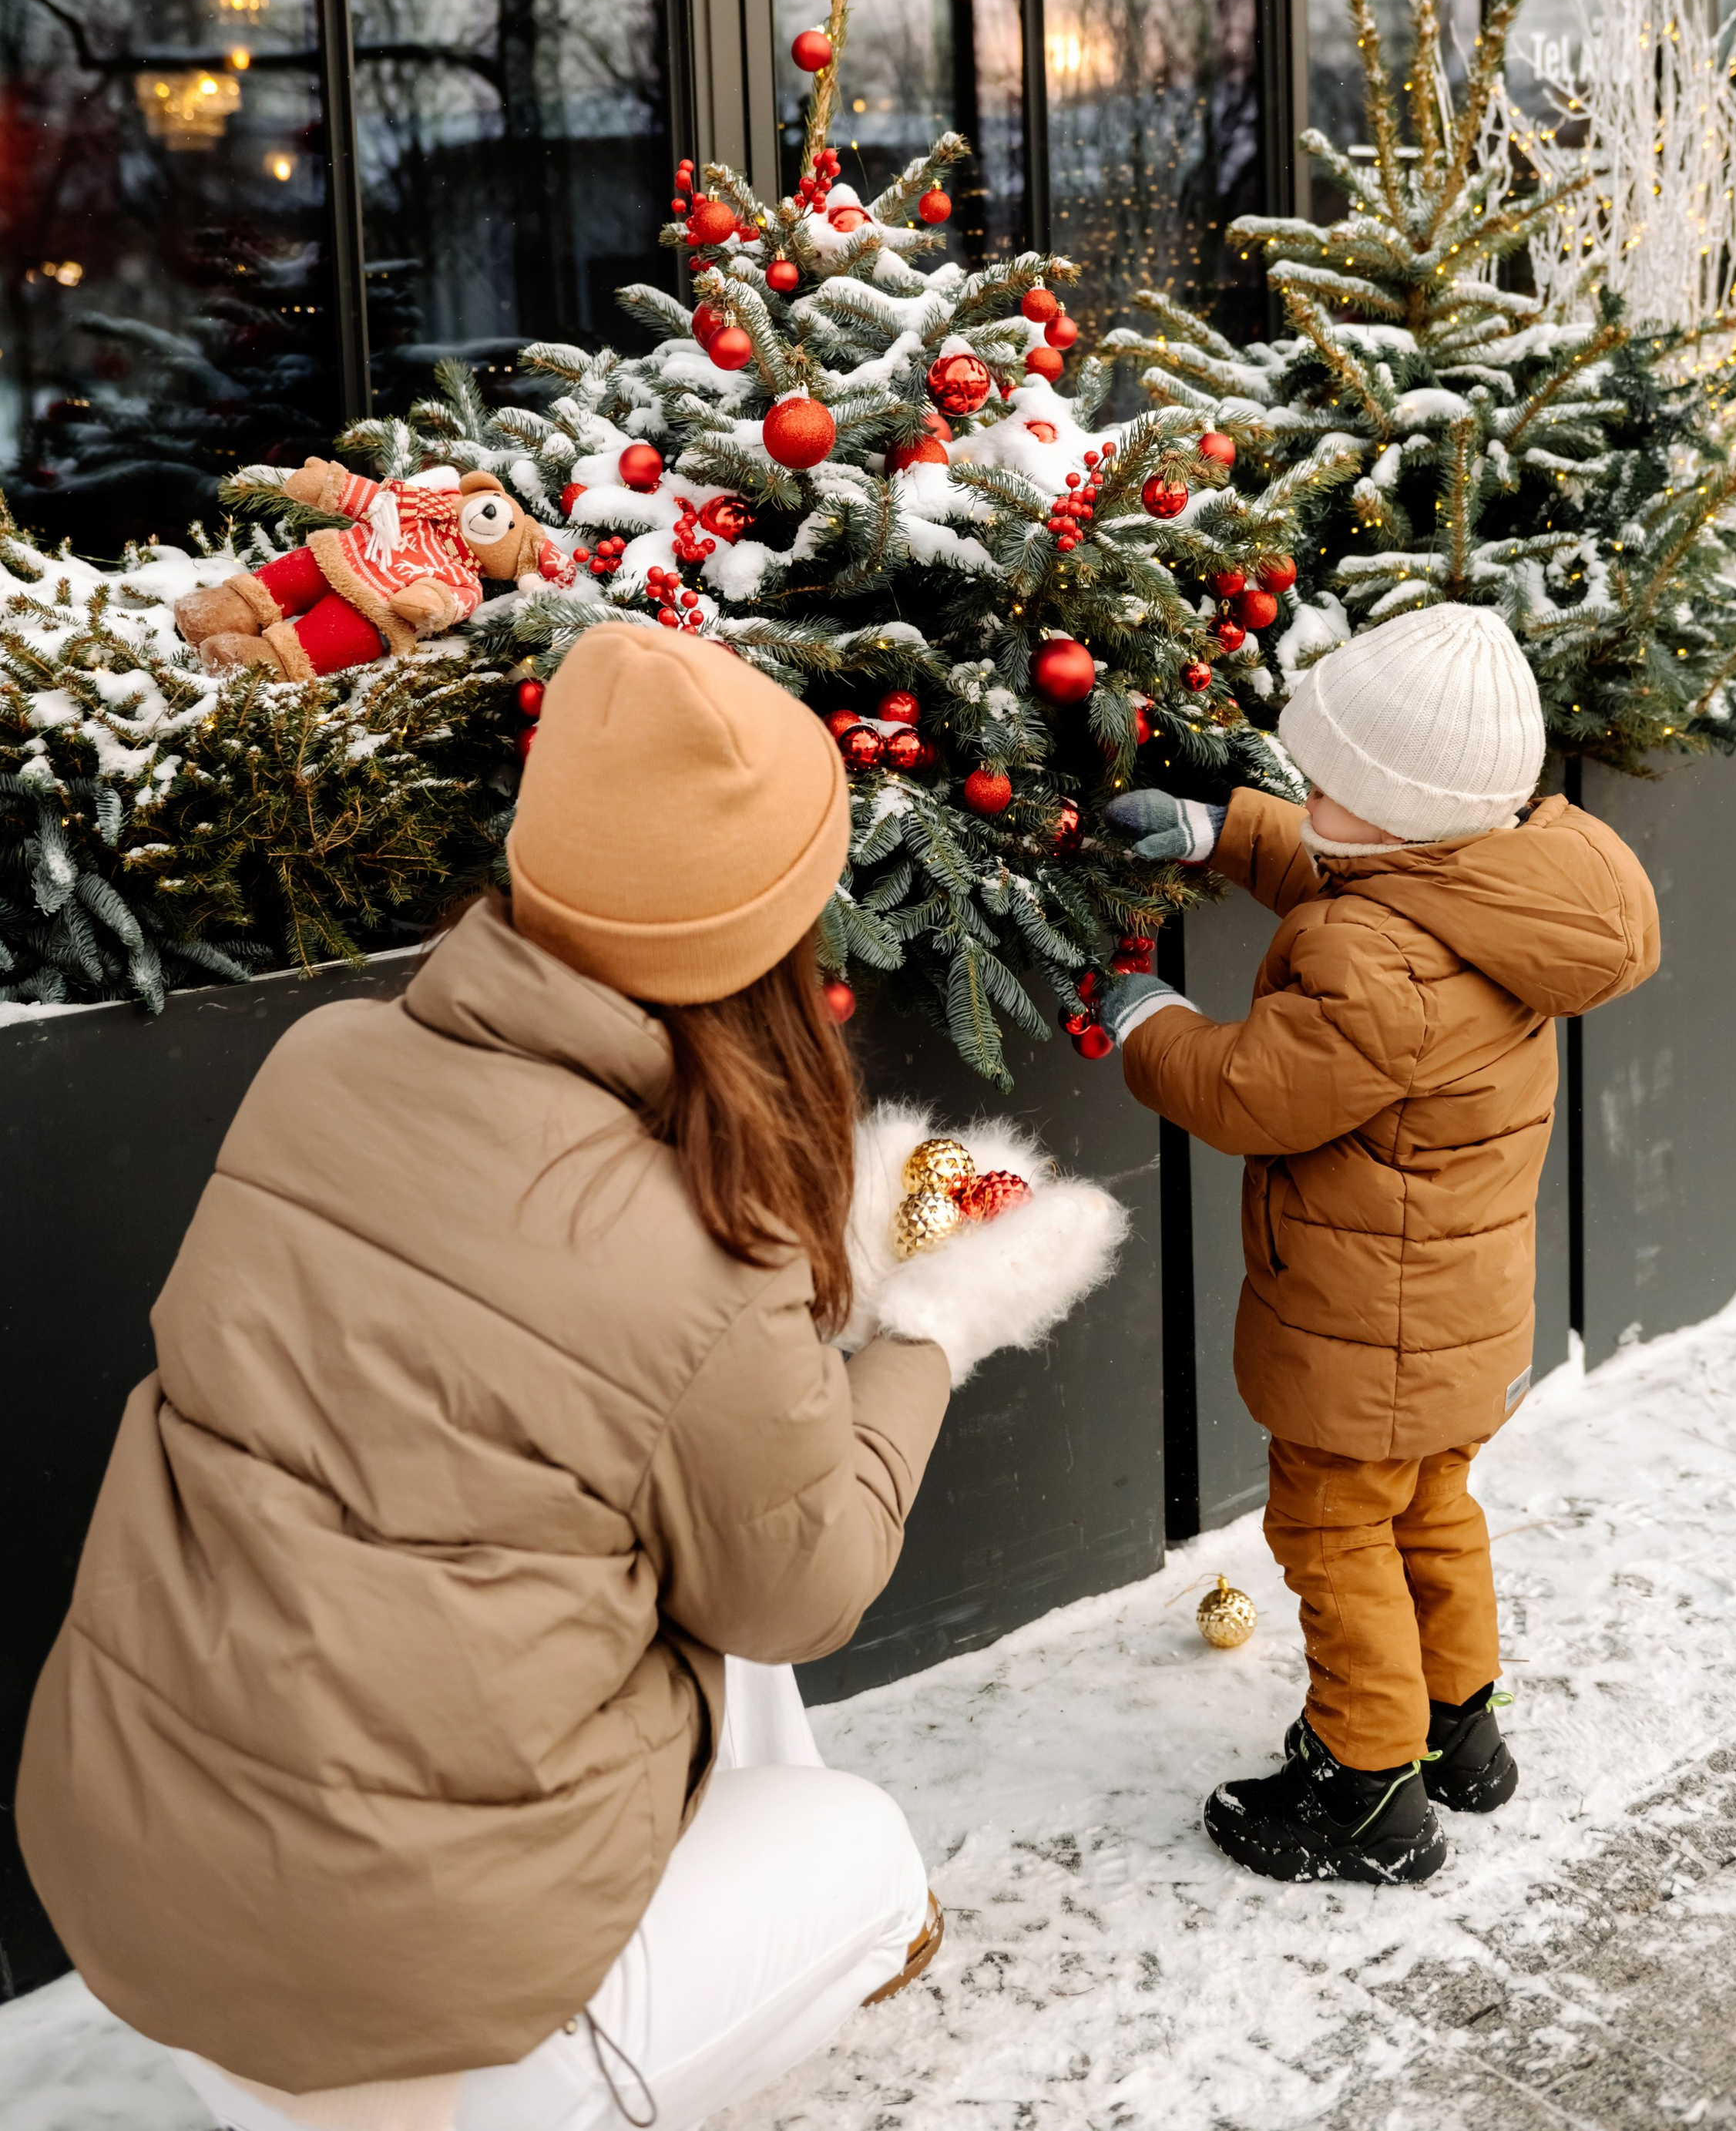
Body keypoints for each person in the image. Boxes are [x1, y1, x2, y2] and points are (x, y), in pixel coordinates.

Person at [17, 626, 1106, 2131]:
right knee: (862, 1854)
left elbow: (558, 1349)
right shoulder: (698, 1264)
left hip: (141, 1897)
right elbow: (809, 1583)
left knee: (693, 1530)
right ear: (772, 932)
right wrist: (937, 1317)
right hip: (409, 2036)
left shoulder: (317, 1064)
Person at [1100, 601, 1659, 1888]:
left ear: (1394, 813)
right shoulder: (1494, 891)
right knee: (1432, 1511)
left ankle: (1364, 1791)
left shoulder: (1374, 958)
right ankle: (1460, 1733)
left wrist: (1148, 1019)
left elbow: (1249, 1090)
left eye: (1321, 787)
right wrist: (1224, 833)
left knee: (1335, 1536)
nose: (1302, 797)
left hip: (1366, 1337)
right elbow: (1362, 874)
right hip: (1457, 1322)